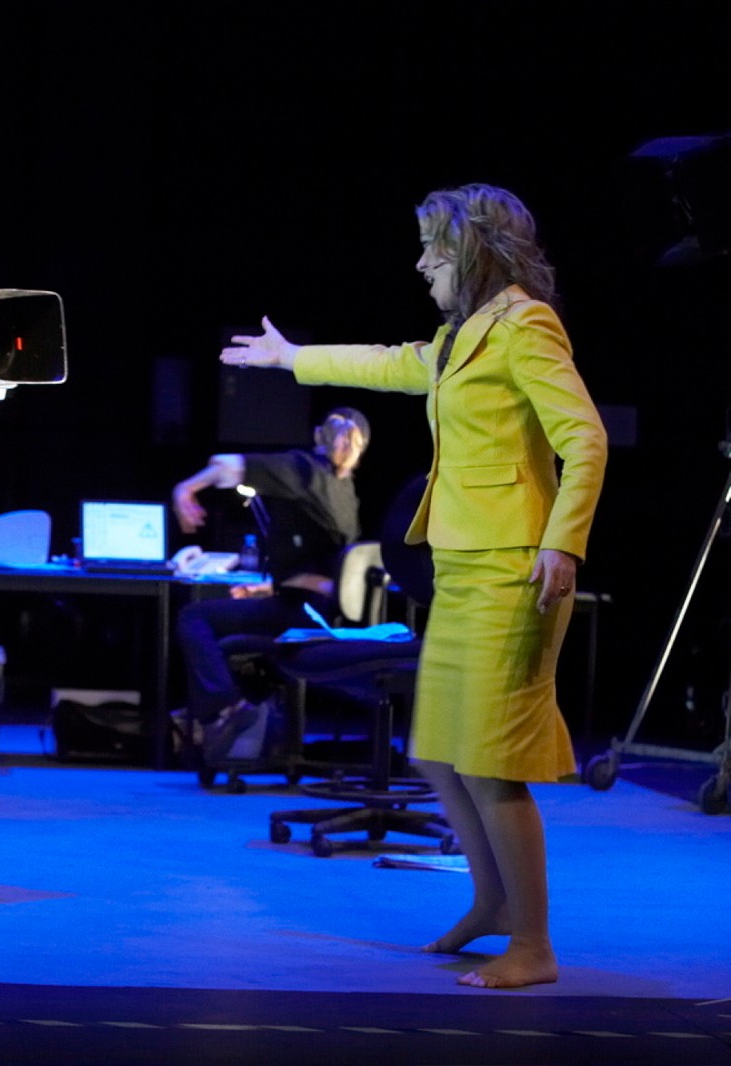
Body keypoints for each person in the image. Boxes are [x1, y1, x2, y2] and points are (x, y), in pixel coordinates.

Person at [220, 184, 606, 989]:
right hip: (465, 567)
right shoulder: (464, 334)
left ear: (470, 251)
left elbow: (586, 439)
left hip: (516, 566)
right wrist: (292, 360)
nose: (421, 260)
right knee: (438, 752)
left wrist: (563, 545)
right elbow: (395, 365)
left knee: (490, 761)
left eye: (434, 246)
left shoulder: (525, 324)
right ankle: (492, 906)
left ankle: (533, 946)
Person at [171, 408, 369, 764]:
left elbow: (228, 465)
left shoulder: (303, 469)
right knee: (222, 623)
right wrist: (264, 591)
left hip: (302, 613)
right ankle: (223, 716)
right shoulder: (346, 492)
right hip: (318, 611)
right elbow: (328, 568)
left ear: (316, 435)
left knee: (193, 617)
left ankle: (226, 706)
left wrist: (185, 489)